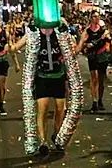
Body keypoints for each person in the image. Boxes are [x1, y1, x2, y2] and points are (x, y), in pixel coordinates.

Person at [7, 27, 66, 155]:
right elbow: (15, 47)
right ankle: (43, 142)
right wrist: (10, 45)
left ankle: (56, 135)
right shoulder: (33, 33)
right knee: (42, 109)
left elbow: (73, 49)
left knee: (60, 109)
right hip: (42, 76)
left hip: (58, 75)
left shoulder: (60, 31)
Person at [76, 12, 112, 112]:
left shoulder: (103, 30)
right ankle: (94, 102)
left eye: (98, 16)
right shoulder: (87, 31)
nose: (96, 18)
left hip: (102, 55)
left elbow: (110, 39)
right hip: (92, 56)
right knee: (94, 78)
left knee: (101, 79)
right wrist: (84, 47)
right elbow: (81, 44)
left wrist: (107, 37)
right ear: (91, 18)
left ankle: (100, 99)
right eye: (94, 16)